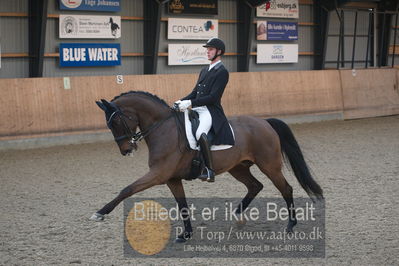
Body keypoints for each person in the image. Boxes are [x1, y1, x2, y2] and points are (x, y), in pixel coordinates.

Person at [174, 38, 235, 182]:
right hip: (197, 108)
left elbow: (213, 97)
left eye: (211, 49)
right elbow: (194, 92)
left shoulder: (222, 72)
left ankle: (209, 170)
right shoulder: (204, 70)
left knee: (200, 133)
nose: (207, 52)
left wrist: (190, 102)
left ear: (219, 52)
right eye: (207, 49)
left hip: (210, 111)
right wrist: (181, 101)